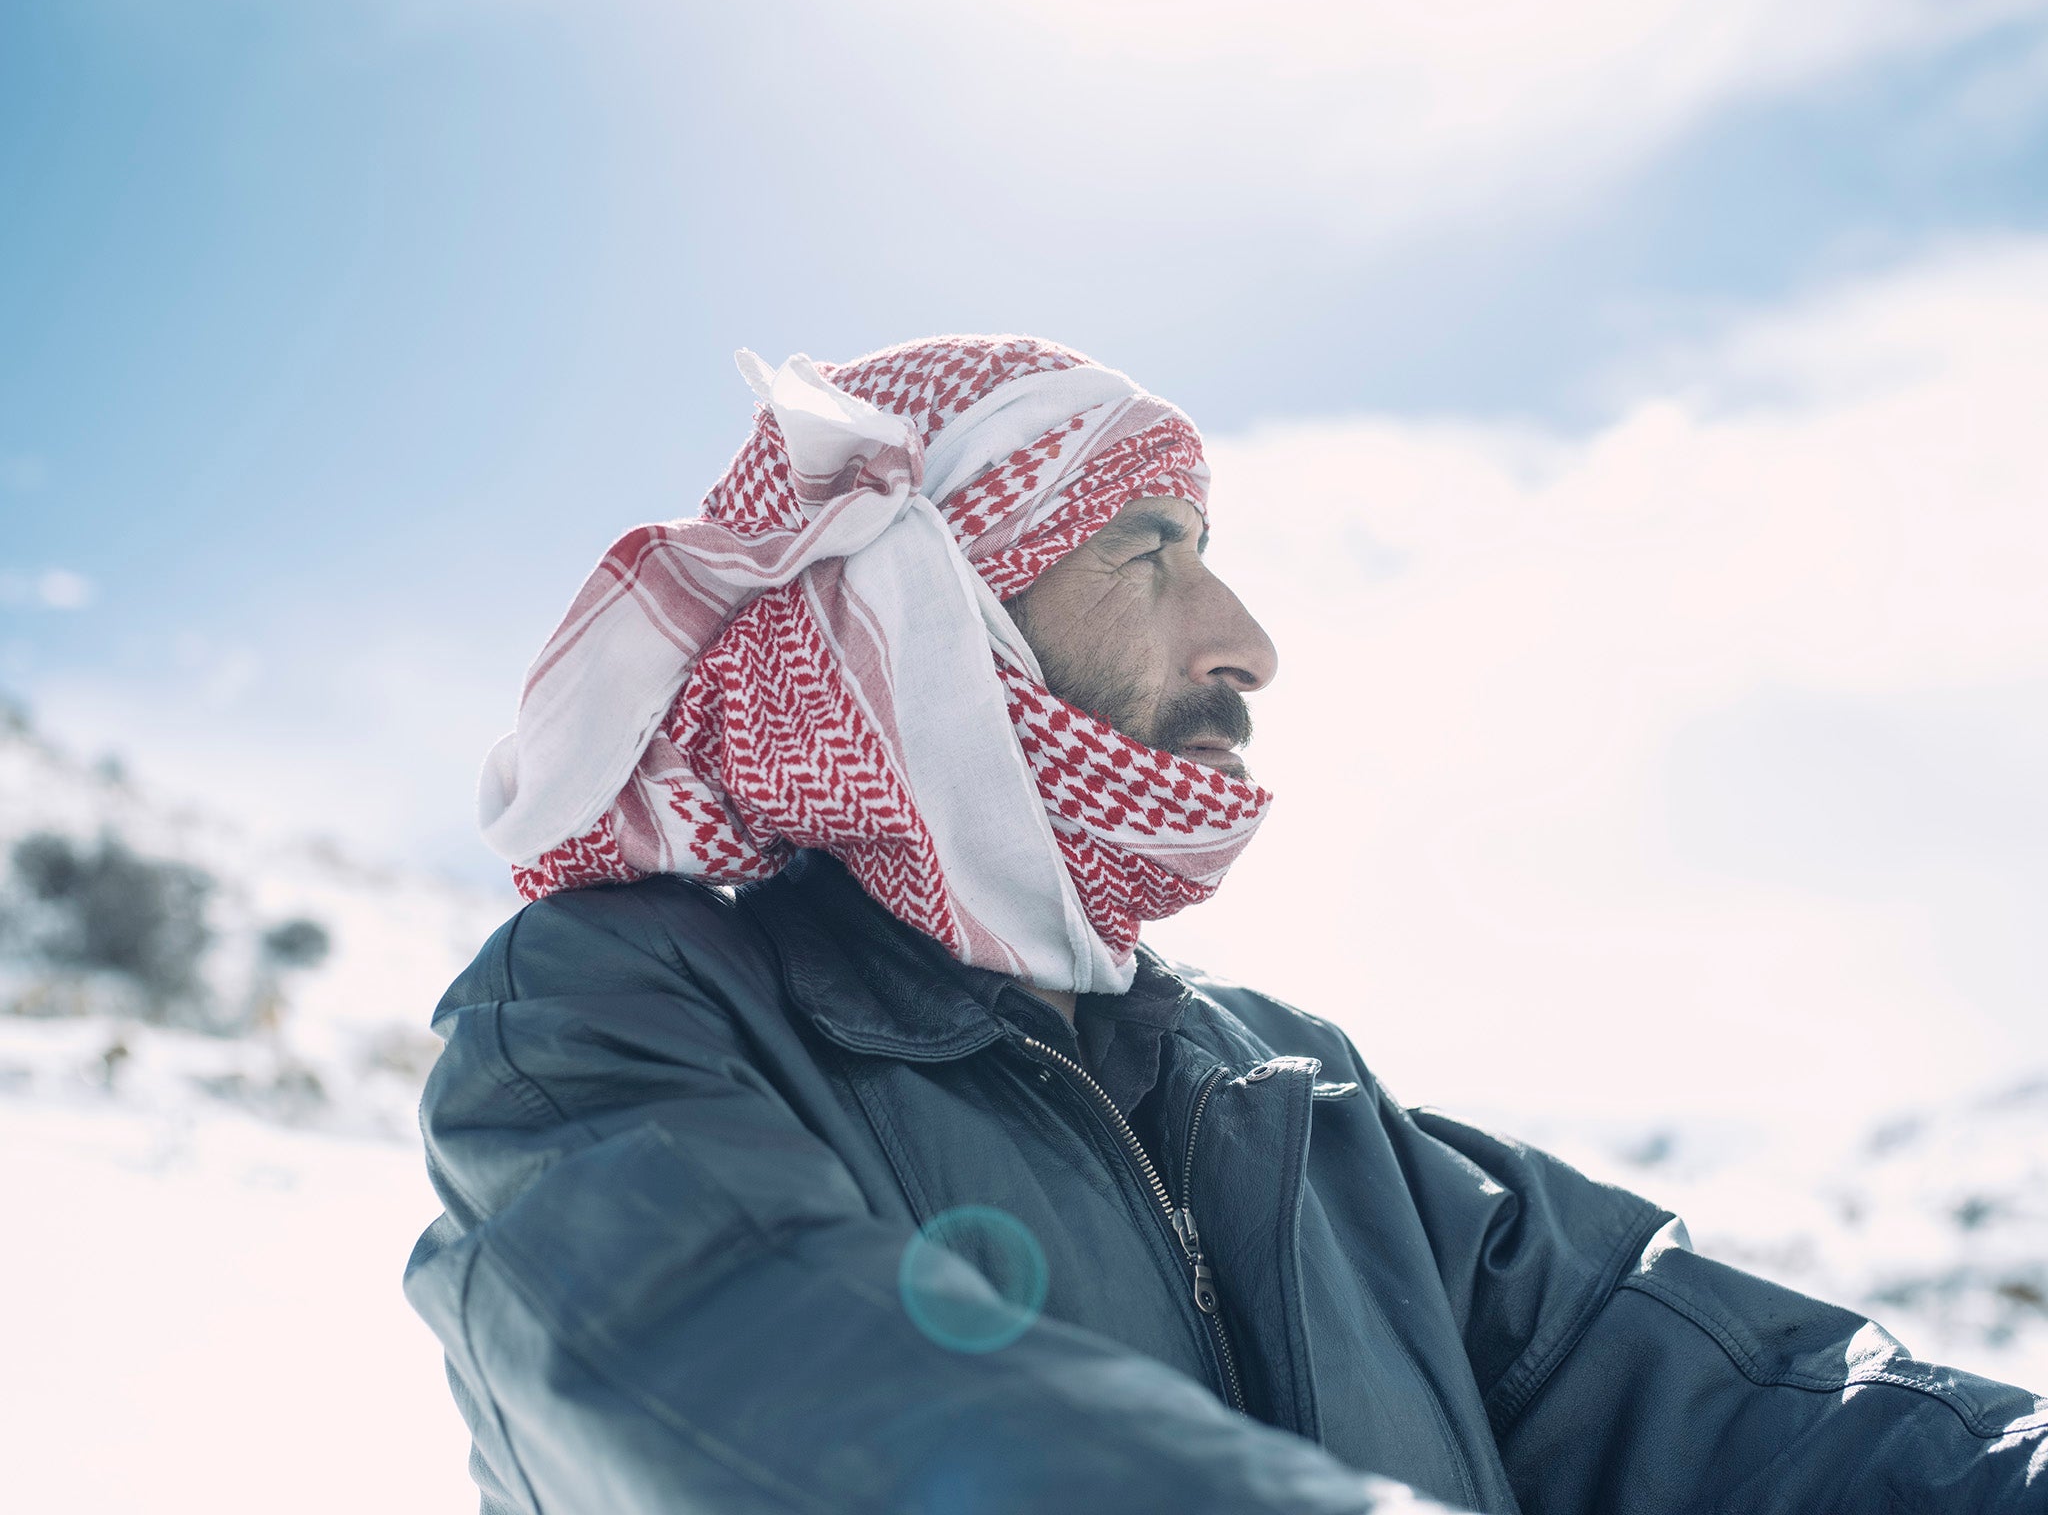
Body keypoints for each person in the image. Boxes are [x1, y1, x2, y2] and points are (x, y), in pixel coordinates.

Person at [406, 336, 2044, 1514]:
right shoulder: (599, 1020)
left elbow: (1730, 1404)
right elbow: (744, 1379)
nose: (1248, 640)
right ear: (926, 616)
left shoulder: (1288, 1091)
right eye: (1151, 551)